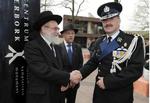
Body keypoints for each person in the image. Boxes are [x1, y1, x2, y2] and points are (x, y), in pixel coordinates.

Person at [74, 2, 145, 103]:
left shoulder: (133, 41)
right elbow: (93, 62)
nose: (108, 23)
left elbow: (136, 70)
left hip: (120, 96)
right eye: (104, 20)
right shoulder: (99, 41)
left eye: (111, 19)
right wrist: (79, 74)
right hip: (99, 95)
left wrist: (108, 82)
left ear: (119, 20)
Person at [24, 11, 82, 103]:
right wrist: (69, 76)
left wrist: (65, 82)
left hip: (58, 95)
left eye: (58, 29)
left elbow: (60, 68)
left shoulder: (56, 47)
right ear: (44, 28)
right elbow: (43, 70)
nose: (58, 32)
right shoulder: (32, 46)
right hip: (42, 97)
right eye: (55, 29)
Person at [59, 23, 83, 103]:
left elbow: (80, 64)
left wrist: (75, 80)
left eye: (72, 33)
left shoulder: (78, 47)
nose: (71, 35)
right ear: (63, 35)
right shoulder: (58, 47)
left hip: (74, 84)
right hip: (62, 83)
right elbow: (58, 66)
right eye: (68, 33)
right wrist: (67, 79)